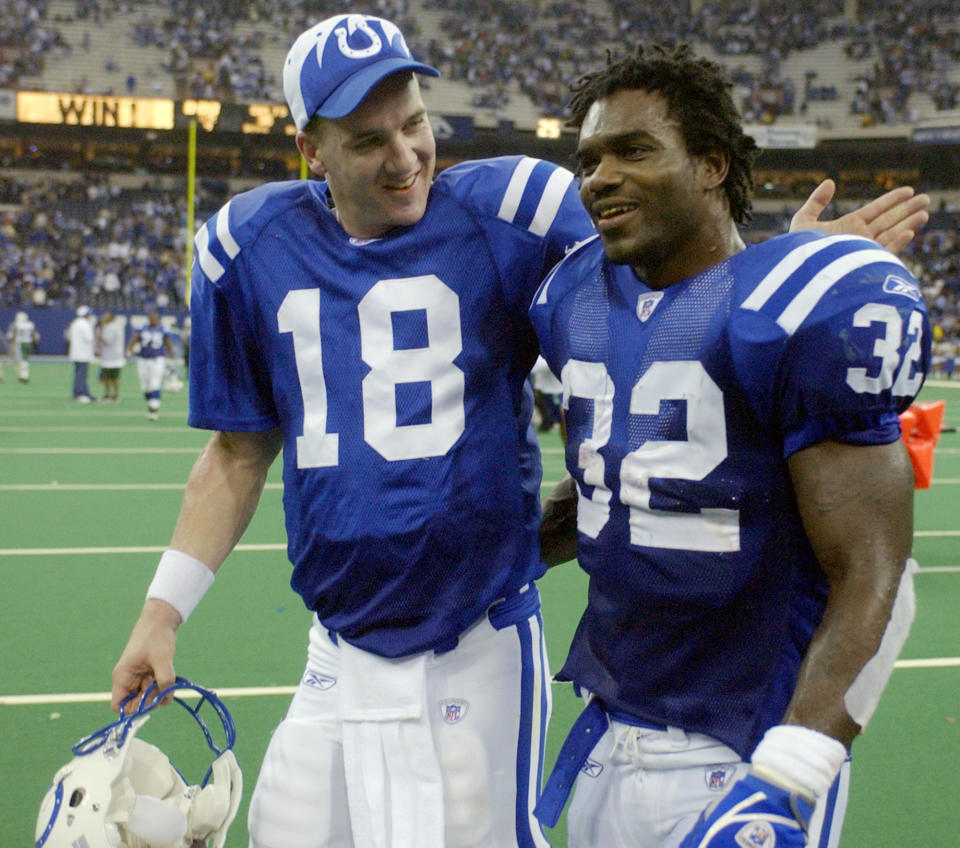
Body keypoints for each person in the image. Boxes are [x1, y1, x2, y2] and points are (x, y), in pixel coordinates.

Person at [109, 15, 929, 848]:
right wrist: (162, 614)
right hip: (349, 648)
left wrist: (769, 270)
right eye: (367, 140)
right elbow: (238, 452)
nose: (404, 157)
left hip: (486, 636)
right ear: (309, 149)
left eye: (415, 124)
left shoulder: (511, 208)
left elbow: (677, 270)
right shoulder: (247, 247)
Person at [529, 44, 930, 848]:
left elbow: (879, 574)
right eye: (589, 159)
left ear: (712, 165)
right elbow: (620, 492)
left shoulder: (799, 311)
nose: (599, 177)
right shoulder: (576, 298)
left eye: (634, 150)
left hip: (740, 746)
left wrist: (789, 778)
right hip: (610, 732)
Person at [125, 311, 174, 420]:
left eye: (156, 318)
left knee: (155, 383)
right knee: (145, 386)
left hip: (158, 359)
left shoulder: (163, 329)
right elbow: (135, 338)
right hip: (143, 359)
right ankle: (150, 404)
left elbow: (168, 344)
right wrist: (129, 350)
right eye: (152, 318)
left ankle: (154, 409)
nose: (154, 320)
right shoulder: (142, 328)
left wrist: (171, 360)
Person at [68, 305, 96, 402]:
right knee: (81, 375)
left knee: (79, 374)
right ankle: (80, 394)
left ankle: (82, 392)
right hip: (83, 354)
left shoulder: (75, 323)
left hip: (76, 353)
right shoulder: (84, 324)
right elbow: (89, 338)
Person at [96, 311, 126, 402]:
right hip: (111, 357)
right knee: (111, 378)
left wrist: (99, 335)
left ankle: (112, 395)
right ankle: (112, 395)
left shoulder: (112, 328)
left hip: (111, 357)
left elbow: (108, 341)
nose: (104, 318)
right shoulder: (112, 327)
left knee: (110, 378)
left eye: (106, 316)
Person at [8, 310, 40, 383]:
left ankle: (23, 375)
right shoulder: (30, 324)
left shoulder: (16, 325)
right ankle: (24, 374)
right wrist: (36, 341)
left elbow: (11, 335)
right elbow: (34, 334)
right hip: (28, 342)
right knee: (25, 359)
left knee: (20, 359)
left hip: (19, 343)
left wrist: (11, 343)